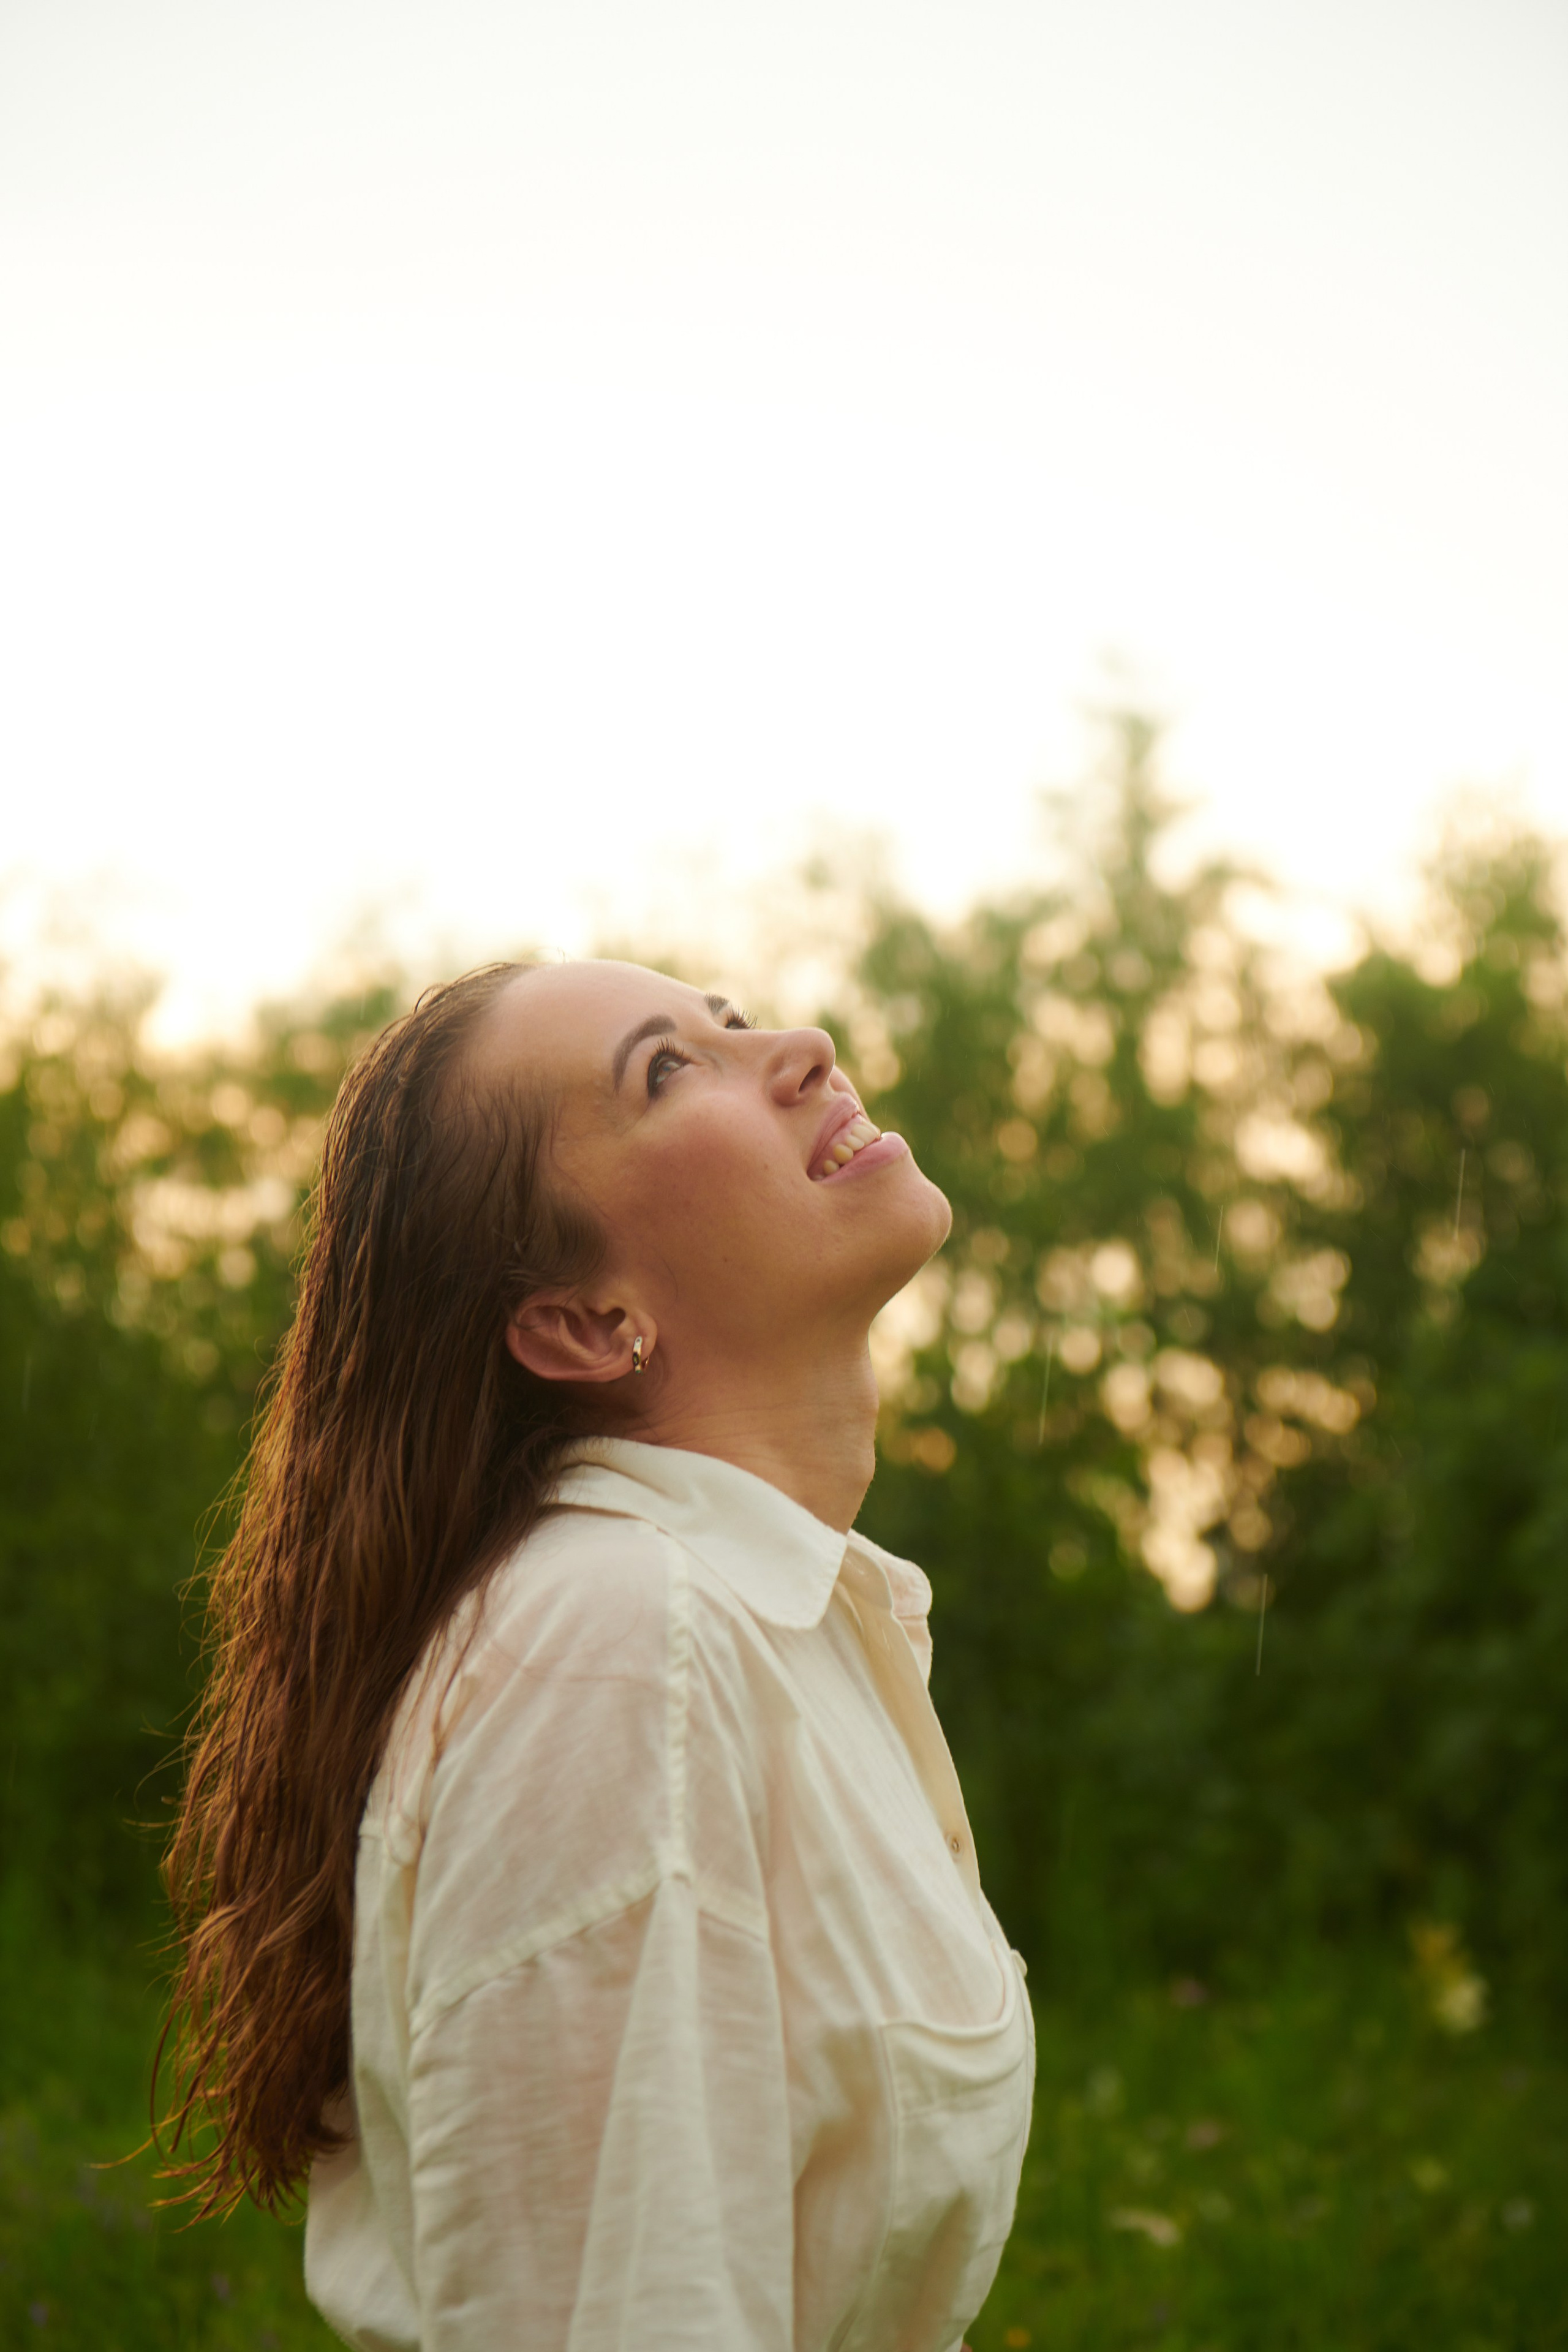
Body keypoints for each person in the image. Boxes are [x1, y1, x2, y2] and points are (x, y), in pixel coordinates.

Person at [160, 957, 1035, 2351]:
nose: (801, 1046)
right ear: (581, 1322)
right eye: (667, 1069)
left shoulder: (766, 1625)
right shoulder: (617, 1645)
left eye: (731, 1021)